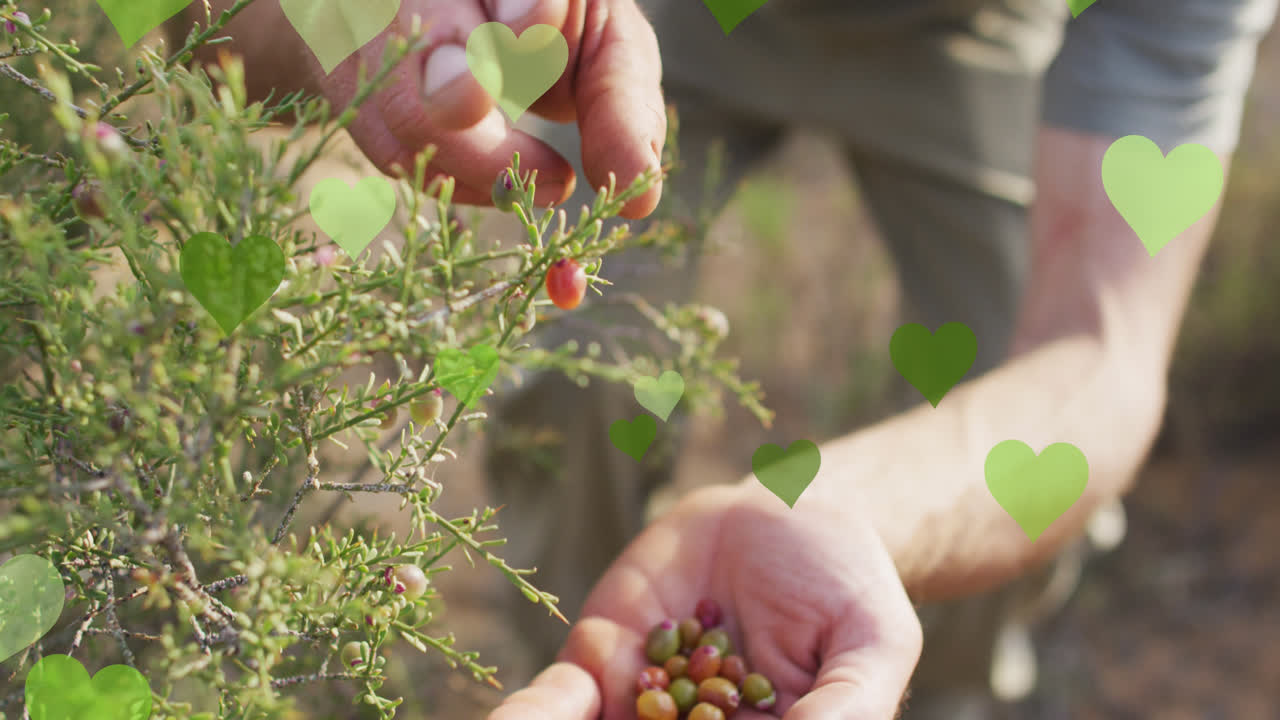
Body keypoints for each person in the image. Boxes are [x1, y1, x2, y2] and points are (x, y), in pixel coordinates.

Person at [178, 0, 1278, 716]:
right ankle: (574, 658)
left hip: (991, 36)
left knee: (1012, 455)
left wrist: (843, 518)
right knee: (576, 376)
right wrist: (349, 17)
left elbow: (1094, 358)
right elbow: (189, 26)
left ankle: (929, 689)